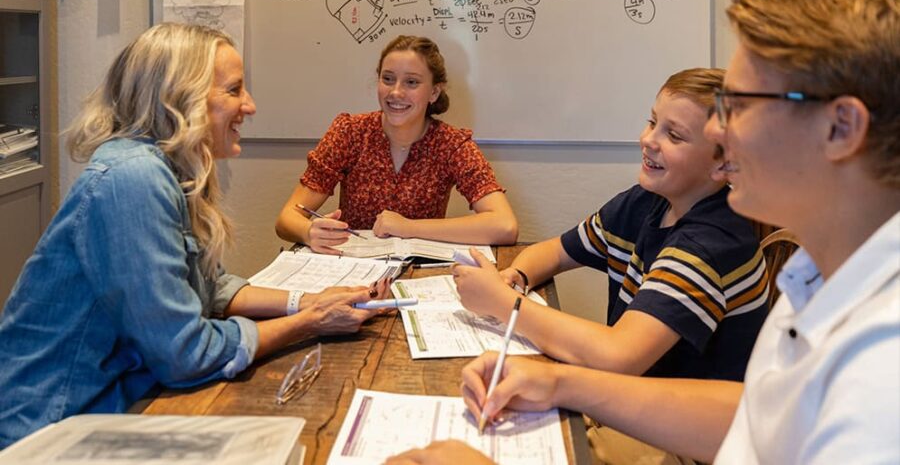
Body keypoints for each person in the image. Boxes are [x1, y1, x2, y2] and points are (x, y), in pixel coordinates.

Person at [393, 0, 900, 464]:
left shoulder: (881, 364)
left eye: (742, 105)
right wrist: (560, 382)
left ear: (840, 128)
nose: (723, 131)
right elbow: (757, 419)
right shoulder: (819, 280)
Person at [0, 23, 390, 449]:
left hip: (112, 405)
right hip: (51, 428)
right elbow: (185, 353)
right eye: (234, 90)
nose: (250, 106)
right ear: (179, 96)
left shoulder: (170, 169)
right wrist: (307, 324)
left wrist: (307, 300)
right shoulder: (135, 178)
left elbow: (212, 284)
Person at [454, 68, 768, 384]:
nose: (647, 140)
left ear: (722, 164)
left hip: (678, 426)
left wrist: (504, 303)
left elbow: (620, 357)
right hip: (631, 398)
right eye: (652, 122)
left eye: (673, 135)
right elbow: (555, 252)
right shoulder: (645, 201)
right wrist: (516, 277)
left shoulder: (710, 243)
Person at [275, 35, 518, 254]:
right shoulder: (350, 132)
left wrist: (408, 227)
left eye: (411, 82)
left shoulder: (451, 145)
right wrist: (309, 232)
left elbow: (504, 225)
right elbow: (287, 219)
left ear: (434, 92)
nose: (396, 92)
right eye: (388, 79)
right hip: (352, 270)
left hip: (418, 275)